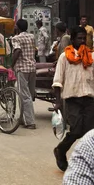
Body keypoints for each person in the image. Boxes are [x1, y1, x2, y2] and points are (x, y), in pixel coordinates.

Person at [52, 26, 94, 172]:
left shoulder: (91, 56)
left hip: (89, 98)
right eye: (79, 38)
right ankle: (60, 150)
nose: (82, 41)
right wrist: (57, 102)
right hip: (72, 99)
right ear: (73, 39)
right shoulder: (65, 56)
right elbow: (58, 80)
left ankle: (86, 163)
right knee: (76, 131)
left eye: (84, 38)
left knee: (89, 132)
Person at [11, 18, 37, 130]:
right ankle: (23, 118)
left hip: (22, 68)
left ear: (18, 27)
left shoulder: (16, 38)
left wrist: (11, 64)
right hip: (32, 67)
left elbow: (17, 51)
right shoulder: (32, 37)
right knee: (28, 95)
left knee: (24, 95)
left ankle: (30, 122)